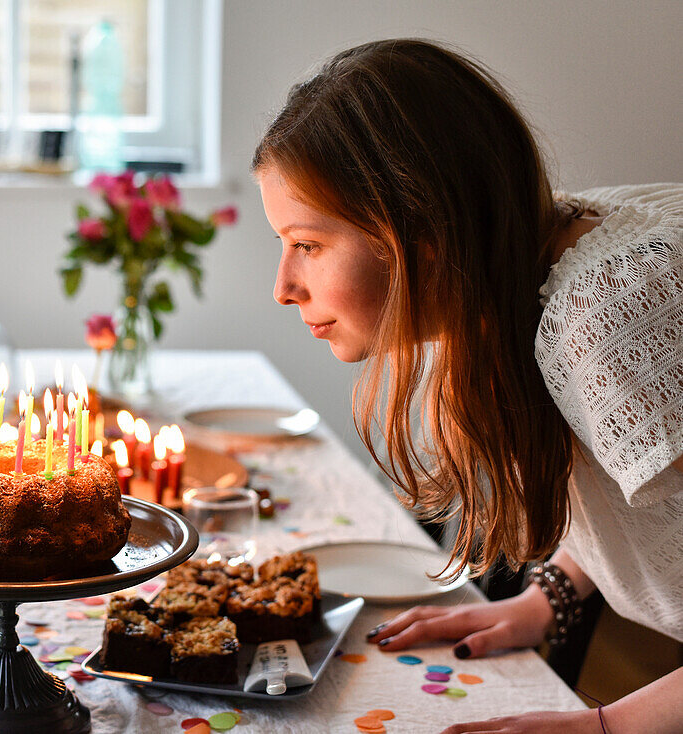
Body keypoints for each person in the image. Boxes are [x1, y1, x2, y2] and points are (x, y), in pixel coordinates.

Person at [253, 38, 683, 733]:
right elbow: (649, 502)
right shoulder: (545, 250)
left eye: (307, 243)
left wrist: (608, 727)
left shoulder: (607, 318)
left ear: (419, 226)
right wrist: (543, 601)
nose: (283, 287)